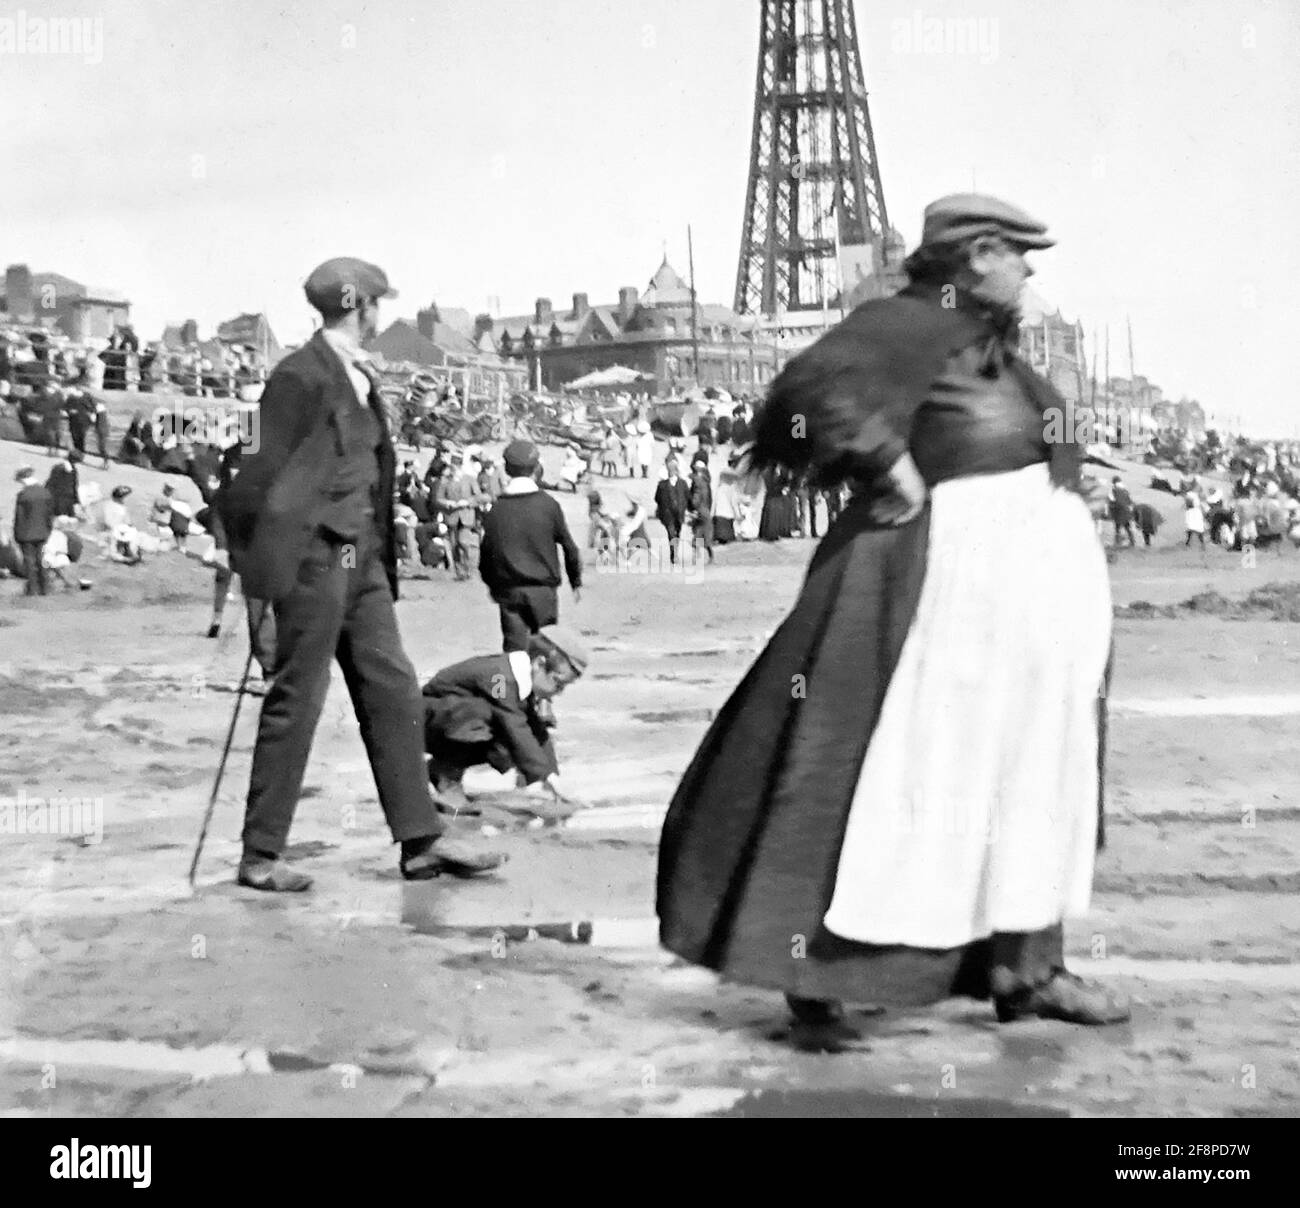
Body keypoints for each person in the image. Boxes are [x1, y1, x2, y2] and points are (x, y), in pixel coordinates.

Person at [657, 194, 1128, 1043]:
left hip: (1025, 592)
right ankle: (816, 972)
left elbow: (1029, 433)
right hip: (939, 586)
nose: (1029, 270)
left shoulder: (998, 348)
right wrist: (887, 466)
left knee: (1028, 777)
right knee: (875, 767)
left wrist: (1069, 478)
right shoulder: (908, 321)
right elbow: (814, 393)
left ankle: (1030, 972)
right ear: (978, 253)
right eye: (1019, 255)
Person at [216, 256, 502, 892]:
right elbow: (252, 480)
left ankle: (421, 841)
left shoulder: (359, 375)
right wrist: (257, 570)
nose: (382, 316)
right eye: (378, 305)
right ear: (360, 307)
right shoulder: (298, 377)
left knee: (393, 689)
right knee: (298, 698)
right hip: (315, 560)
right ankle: (261, 855)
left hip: (361, 561)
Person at [422, 626, 588, 815]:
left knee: (512, 726)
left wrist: (552, 778)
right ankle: (446, 775)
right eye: (558, 683)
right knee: (492, 718)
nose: (559, 692)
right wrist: (541, 776)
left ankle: (443, 770)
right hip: (426, 723)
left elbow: (535, 731)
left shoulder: (518, 681)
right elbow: (513, 723)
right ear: (539, 664)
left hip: (449, 722)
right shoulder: (498, 676)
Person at [479, 439, 583, 652]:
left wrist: (493, 586)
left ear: (507, 469)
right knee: (544, 652)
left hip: (510, 592)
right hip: (543, 592)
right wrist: (575, 580)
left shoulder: (496, 509)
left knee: (514, 654)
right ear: (537, 468)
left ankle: (506, 687)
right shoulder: (548, 505)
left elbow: (486, 555)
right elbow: (570, 548)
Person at [435, 453, 487, 581]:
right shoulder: (445, 480)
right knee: (454, 545)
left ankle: (468, 568)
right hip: (452, 515)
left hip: (466, 515)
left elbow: (480, 497)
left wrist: (468, 502)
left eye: (458, 465)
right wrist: (448, 503)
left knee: (463, 542)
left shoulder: (469, 479)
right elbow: (438, 498)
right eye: (454, 466)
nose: (456, 468)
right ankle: (460, 572)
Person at [12, 466, 53, 596]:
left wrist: (17, 534)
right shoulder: (45, 492)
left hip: (26, 535)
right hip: (42, 533)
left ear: (23, 479)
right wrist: (48, 530)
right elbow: (49, 515)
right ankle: (45, 588)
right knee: (42, 560)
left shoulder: (23, 495)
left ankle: (32, 589)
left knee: (29, 561)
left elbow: (19, 517)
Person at [654, 454, 690, 563]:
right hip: (668, 513)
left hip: (679, 513)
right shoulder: (662, 485)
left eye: (673, 469)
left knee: (677, 533)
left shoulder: (683, 484)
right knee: (671, 532)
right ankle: (674, 554)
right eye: (670, 470)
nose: (672, 471)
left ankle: (675, 551)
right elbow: (657, 498)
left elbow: (687, 497)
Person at [688, 456, 714, 563]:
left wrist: (692, 508)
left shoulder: (697, 483)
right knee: (704, 534)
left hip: (700, 511)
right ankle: (710, 556)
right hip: (706, 511)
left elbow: (696, 498)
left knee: (698, 534)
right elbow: (710, 499)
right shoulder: (706, 481)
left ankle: (695, 557)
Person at [45, 448, 82, 519]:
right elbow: (51, 485)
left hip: (66, 501)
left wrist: (76, 501)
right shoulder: (60, 469)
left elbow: (74, 487)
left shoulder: (72, 470)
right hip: (59, 501)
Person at [1109, 476, 1135, 547]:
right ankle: (1132, 542)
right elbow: (1130, 502)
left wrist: (1111, 508)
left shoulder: (1114, 490)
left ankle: (1117, 542)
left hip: (1119, 512)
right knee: (1127, 527)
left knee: (1117, 528)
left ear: (1114, 483)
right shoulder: (1125, 490)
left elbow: (1112, 501)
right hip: (1126, 512)